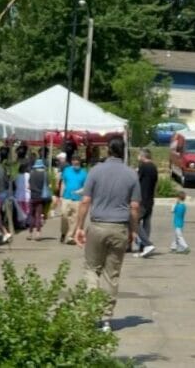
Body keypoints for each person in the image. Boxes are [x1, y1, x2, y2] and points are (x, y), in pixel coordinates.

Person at [74, 137, 141, 331]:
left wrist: (79, 226)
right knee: (111, 274)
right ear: (123, 151)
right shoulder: (131, 175)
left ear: (108, 151)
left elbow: (85, 201)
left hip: (98, 225)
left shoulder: (96, 171)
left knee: (91, 268)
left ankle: (90, 310)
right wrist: (134, 230)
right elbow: (135, 206)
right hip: (119, 226)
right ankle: (106, 318)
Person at [58, 154, 88, 244]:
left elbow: (86, 186)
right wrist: (60, 195)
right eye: (74, 161)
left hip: (78, 199)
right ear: (72, 162)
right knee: (64, 215)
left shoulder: (84, 173)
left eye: (78, 161)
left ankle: (70, 237)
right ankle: (64, 232)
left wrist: (80, 192)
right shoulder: (67, 171)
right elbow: (63, 182)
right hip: (66, 197)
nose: (76, 162)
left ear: (80, 162)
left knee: (75, 219)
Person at [135, 148, 158, 257]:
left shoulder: (143, 166)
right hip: (150, 199)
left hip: (142, 199)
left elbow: (136, 180)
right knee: (146, 223)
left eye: (139, 155)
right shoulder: (154, 167)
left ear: (143, 156)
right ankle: (143, 248)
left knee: (134, 221)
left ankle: (147, 244)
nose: (138, 157)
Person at [27, 156, 50, 240]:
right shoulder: (45, 174)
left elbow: (28, 186)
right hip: (41, 197)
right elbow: (47, 185)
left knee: (32, 215)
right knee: (38, 215)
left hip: (32, 196)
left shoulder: (31, 173)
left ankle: (30, 233)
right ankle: (38, 233)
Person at [170, 189, 190, 254]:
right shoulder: (184, 206)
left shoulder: (177, 206)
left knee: (179, 236)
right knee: (176, 236)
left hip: (177, 223)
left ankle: (185, 247)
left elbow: (172, 211)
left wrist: (174, 205)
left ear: (178, 198)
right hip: (181, 223)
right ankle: (173, 247)